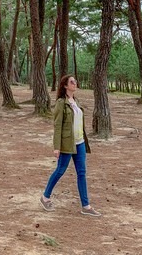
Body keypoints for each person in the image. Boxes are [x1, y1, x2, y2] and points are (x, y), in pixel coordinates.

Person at [40, 75, 101, 217]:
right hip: (67, 143)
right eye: (72, 82)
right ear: (65, 86)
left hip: (80, 143)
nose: (75, 83)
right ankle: (45, 197)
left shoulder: (76, 102)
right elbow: (57, 126)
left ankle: (86, 206)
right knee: (60, 170)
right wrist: (57, 147)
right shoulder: (61, 103)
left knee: (82, 173)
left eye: (75, 81)